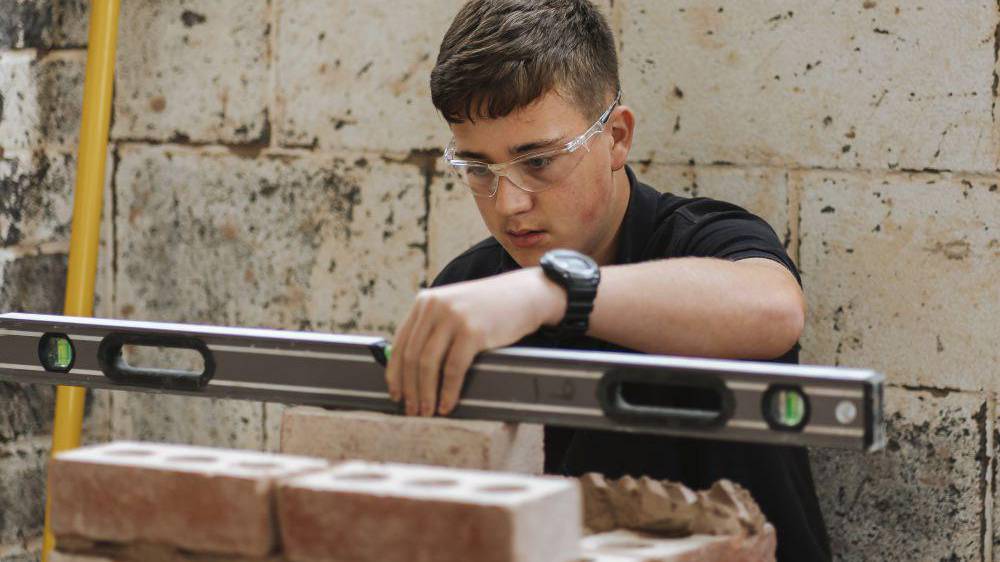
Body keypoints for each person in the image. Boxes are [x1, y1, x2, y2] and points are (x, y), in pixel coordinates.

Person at [382, 1, 830, 559]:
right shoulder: (471, 291)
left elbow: (774, 312)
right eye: (479, 170)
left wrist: (552, 292)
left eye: (540, 161)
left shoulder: (704, 239)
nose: (510, 204)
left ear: (617, 137)